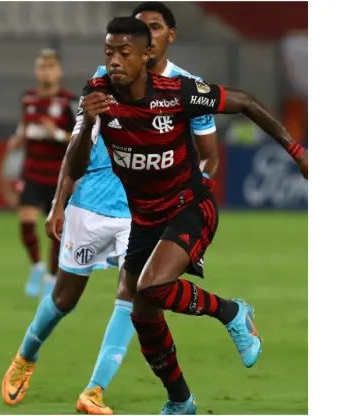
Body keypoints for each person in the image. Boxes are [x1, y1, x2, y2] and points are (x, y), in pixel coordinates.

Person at [75, 17, 307, 415]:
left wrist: (298, 153)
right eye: (108, 52)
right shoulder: (97, 94)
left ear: (146, 55)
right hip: (145, 221)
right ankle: (180, 401)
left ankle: (232, 311)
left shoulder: (178, 92)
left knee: (150, 289)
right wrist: (87, 125)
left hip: (190, 208)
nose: (113, 61)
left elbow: (247, 102)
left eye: (123, 53)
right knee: (145, 317)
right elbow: (78, 164)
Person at [1, 3, 221, 414]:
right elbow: (76, 146)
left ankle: (94, 390)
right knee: (65, 297)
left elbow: (209, 156)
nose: (148, 36)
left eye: (155, 28)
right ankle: (26, 354)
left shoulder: (189, 88)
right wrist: (59, 202)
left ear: (168, 35)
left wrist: (191, 203)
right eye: (142, 30)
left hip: (144, 213)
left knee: (134, 295)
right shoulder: (103, 82)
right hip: (91, 203)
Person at [3, 48, 79, 298]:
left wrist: (55, 133)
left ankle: (51, 278)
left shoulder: (69, 101)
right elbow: (23, 128)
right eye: (42, 67)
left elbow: (80, 139)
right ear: (36, 71)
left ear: (59, 71)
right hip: (32, 173)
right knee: (26, 223)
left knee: (56, 231)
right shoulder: (27, 99)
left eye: (50, 67)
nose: (45, 71)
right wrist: (18, 139)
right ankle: (36, 267)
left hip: (59, 178)